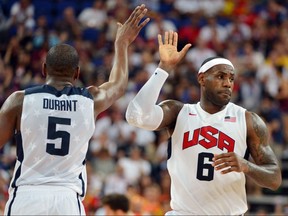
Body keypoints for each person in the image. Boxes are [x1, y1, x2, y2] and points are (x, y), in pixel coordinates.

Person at [0, 4, 150, 215]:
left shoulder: (19, 101)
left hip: (27, 195)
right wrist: (122, 43)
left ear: (44, 69)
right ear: (77, 73)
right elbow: (117, 87)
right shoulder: (88, 100)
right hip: (67, 199)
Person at [125, 31, 282, 215]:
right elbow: (136, 116)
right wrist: (164, 68)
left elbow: (275, 179)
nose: (227, 83)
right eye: (220, 76)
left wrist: (247, 166)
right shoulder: (179, 112)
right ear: (201, 79)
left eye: (231, 78)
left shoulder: (247, 120)